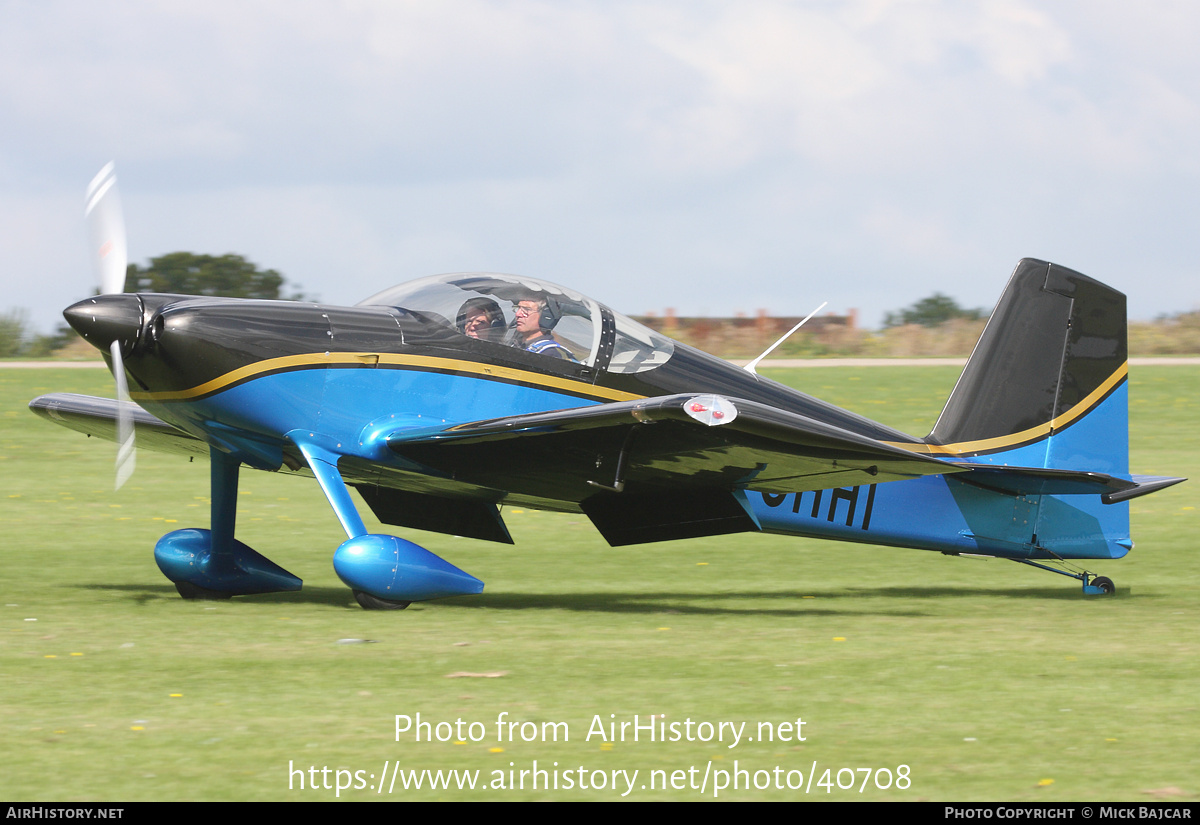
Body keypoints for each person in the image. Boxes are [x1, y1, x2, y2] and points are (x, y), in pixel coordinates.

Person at [511, 294, 577, 361]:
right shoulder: (513, 343)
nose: (518, 314)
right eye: (518, 308)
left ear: (545, 317)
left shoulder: (548, 355)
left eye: (526, 310)